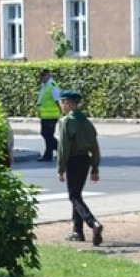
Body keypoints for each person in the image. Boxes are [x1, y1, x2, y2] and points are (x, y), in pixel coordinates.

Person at [56, 90, 104, 246]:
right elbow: (95, 146)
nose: (60, 105)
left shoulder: (66, 122)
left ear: (69, 104)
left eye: (62, 102)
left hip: (73, 160)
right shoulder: (86, 121)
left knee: (73, 196)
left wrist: (60, 168)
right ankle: (78, 231)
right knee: (77, 194)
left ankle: (93, 223)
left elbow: (64, 147)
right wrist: (95, 167)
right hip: (85, 160)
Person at [35, 68, 61, 162]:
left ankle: (49, 154)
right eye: (40, 75)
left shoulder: (52, 86)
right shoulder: (44, 85)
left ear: (48, 75)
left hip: (51, 115)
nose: (41, 77)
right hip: (45, 115)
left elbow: (58, 100)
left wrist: (62, 113)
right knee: (46, 134)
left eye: (43, 75)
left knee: (48, 135)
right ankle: (59, 150)